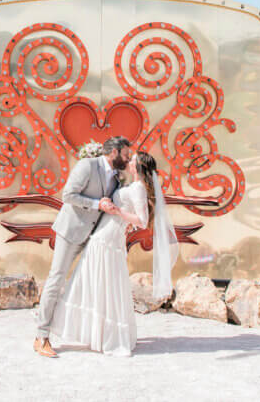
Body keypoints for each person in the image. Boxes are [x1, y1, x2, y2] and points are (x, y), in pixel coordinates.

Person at [47, 151, 179, 357]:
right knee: (100, 284)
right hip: (105, 236)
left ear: (138, 167)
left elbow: (142, 221)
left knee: (99, 283)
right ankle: (100, 335)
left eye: (133, 160)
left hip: (107, 239)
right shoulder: (131, 185)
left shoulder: (138, 188)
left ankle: (105, 336)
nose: (129, 161)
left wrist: (118, 213)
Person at [33, 136, 131, 357]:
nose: (128, 159)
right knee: (56, 279)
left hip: (93, 237)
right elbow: (68, 195)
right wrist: (98, 204)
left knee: (87, 283)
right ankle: (41, 336)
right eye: (125, 155)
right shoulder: (87, 165)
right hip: (71, 231)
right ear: (113, 152)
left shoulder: (117, 176)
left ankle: (91, 333)